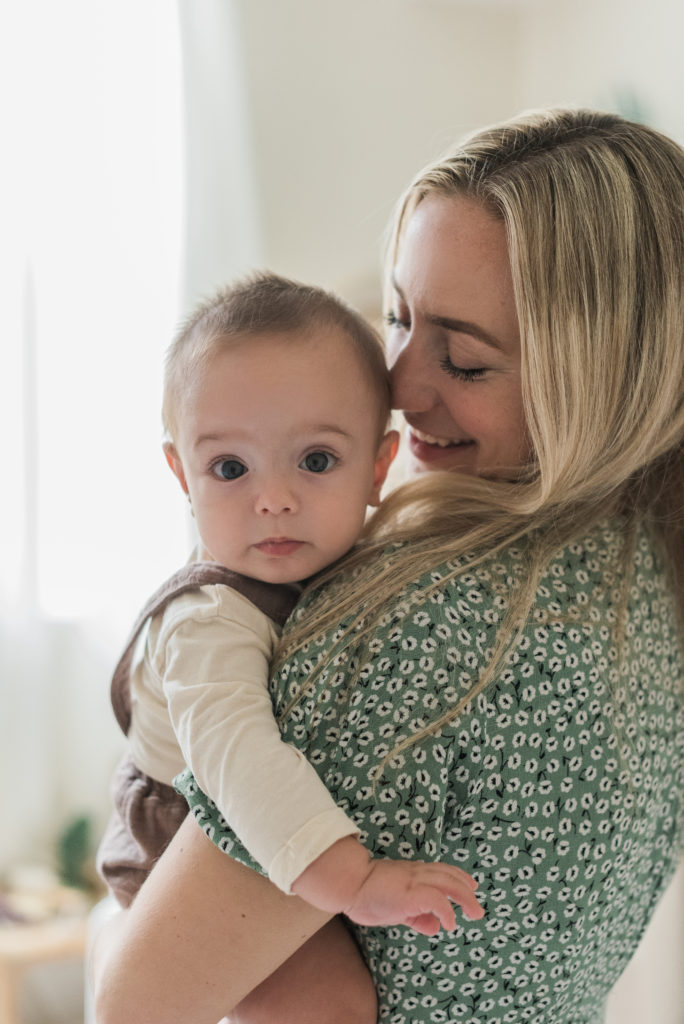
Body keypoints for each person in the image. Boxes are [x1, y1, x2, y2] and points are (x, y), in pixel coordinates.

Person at [93, 108, 684, 1024]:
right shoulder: (644, 573)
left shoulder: (425, 625)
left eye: (466, 359)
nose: (399, 387)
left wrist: (106, 930)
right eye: (399, 317)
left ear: (601, 374)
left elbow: (134, 1001)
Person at [94, 272, 484, 1024]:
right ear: (182, 474)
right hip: (180, 826)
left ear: (378, 466)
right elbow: (238, 757)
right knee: (326, 1002)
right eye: (230, 469)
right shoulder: (210, 619)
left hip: (283, 821)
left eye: (315, 461)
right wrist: (355, 880)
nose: (272, 498)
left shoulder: (366, 553)